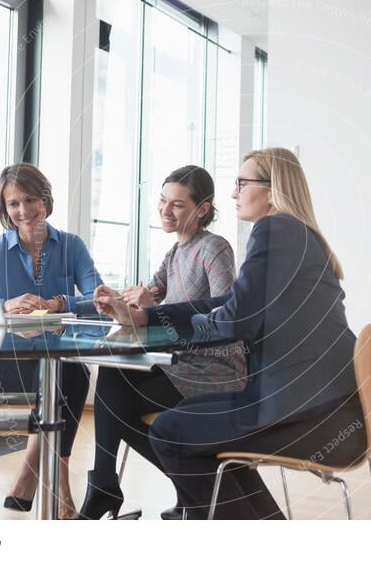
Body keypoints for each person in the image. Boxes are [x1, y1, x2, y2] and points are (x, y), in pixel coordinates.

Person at [92, 147, 367, 519]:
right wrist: (148, 319)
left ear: (271, 189)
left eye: (241, 183)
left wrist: (180, 318)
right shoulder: (298, 234)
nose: (234, 192)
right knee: (190, 419)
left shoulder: (275, 229)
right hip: (327, 409)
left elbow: (235, 319)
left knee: (171, 431)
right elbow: (232, 306)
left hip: (306, 414)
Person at [78, 165, 246, 520]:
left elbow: (224, 307)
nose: (165, 211)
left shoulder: (214, 248)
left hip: (215, 369)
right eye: (162, 200)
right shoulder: (174, 254)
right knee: (111, 380)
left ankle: (188, 486)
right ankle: (107, 484)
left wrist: (154, 309)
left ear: (202, 209)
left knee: (114, 403)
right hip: (180, 363)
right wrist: (114, 300)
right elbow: (146, 296)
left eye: (178, 205)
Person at [0, 163, 102, 519]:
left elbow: (99, 302)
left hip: (52, 363)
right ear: (4, 209)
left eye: (31, 199)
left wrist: (60, 302)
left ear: (46, 200)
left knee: (70, 375)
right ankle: (59, 486)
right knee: (65, 380)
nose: (23, 211)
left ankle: (30, 475)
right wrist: (2, 306)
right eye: (13, 204)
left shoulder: (71, 246)